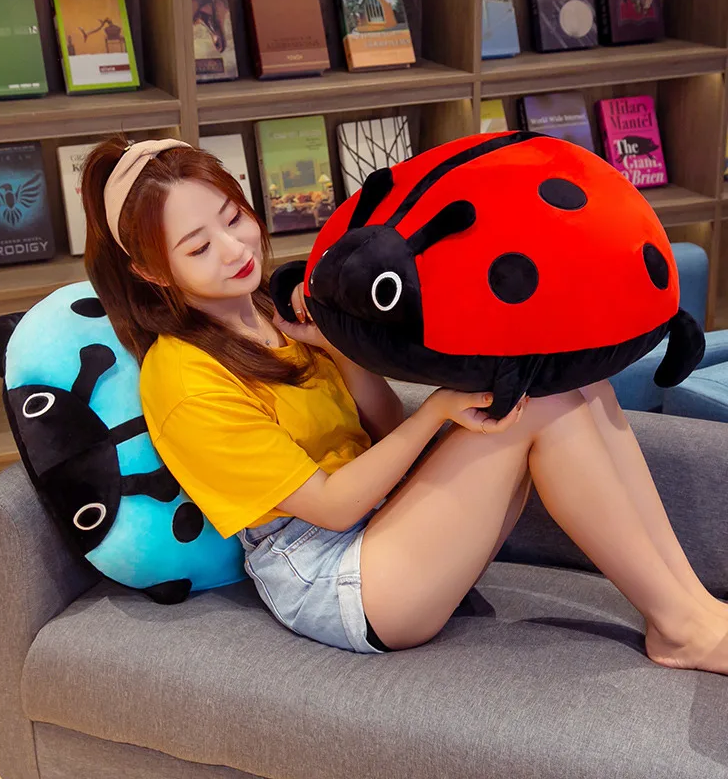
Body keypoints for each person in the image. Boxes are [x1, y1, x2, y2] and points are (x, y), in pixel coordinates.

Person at [81, 134, 728, 673]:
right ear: (152, 272)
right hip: (330, 580)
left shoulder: (272, 310)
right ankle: (683, 628)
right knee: (535, 406)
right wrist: (437, 411)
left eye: (233, 218)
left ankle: (690, 608)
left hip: (382, 523)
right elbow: (332, 507)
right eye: (198, 248)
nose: (235, 250)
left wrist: (338, 349)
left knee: (571, 384)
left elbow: (384, 424)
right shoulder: (183, 380)